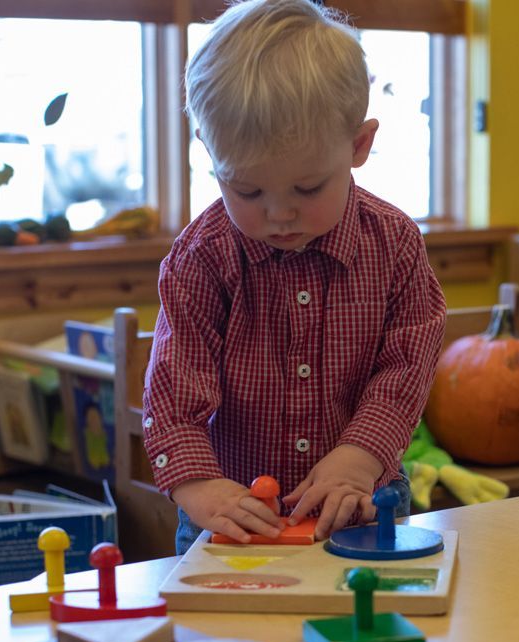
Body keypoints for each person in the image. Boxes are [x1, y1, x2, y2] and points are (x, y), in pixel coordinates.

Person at [142, 0, 446, 553]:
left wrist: (359, 456)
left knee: (373, 627)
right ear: (211, 157)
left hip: (360, 505)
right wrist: (200, 486)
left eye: (307, 189)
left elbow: (407, 366)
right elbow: (172, 396)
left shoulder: (395, 244)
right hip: (233, 513)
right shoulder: (202, 259)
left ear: (358, 147)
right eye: (247, 190)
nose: (278, 214)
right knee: (225, 638)